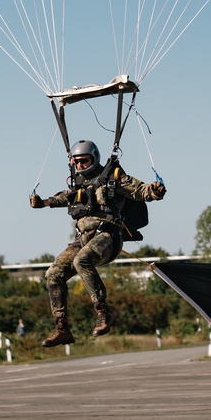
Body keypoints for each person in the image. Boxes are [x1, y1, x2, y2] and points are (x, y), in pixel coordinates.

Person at [29, 139, 166, 347]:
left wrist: (154, 191)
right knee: (53, 274)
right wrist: (44, 203)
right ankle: (62, 328)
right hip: (84, 238)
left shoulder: (114, 177)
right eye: (76, 162)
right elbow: (66, 197)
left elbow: (140, 190)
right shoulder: (77, 182)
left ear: (94, 158)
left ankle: (104, 312)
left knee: (81, 260)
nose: (80, 166)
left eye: (84, 161)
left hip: (109, 236)